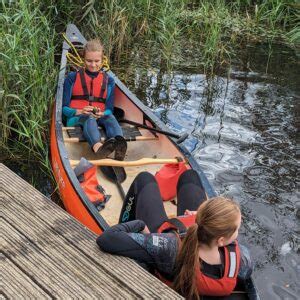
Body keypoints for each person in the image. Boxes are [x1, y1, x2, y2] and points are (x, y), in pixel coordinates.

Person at [96, 170, 253, 298]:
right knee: (190, 175)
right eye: (237, 229)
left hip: (166, 250)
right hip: (200, 246)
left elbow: (107, 239)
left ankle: (124, 222)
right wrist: (198, 217)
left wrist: (140, 225)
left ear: (220, 240)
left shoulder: (167, 247)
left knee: (145, 178)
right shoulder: (242, 261)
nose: (237, 233)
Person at [62, 39, 126, 159]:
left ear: (102, 60)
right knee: (89, 118)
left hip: (99, 117)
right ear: (83, 59)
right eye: (89, 61)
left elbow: (109, 109)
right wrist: (80, 111)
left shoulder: (109, 81)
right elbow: (63, 108)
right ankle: (98, 148)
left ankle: (119, 145)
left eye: (97, 61)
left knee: (110, 117)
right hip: (77, 118)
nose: (93, 65)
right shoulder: (71, 78)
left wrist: (102, 113)